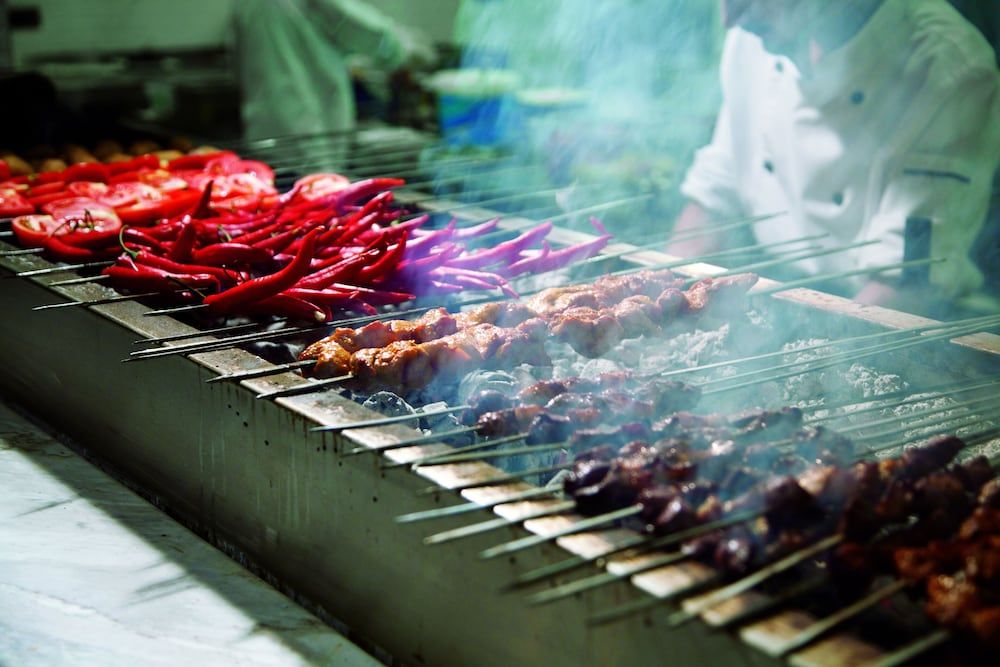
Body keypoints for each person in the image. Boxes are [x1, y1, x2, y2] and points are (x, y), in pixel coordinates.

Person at [669, 0, 1000, 310]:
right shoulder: (756, 30)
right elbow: (715, 195)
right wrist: (666, 300)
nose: (731, 18)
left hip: (887, 319)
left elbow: (908, 280)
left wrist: (808, 358)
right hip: (769, 294)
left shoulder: (946, 66)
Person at [232, 0, 435, 166]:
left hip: (264, 138)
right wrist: (410, 53)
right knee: (316, 197)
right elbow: (367, 32)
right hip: (311, 138)